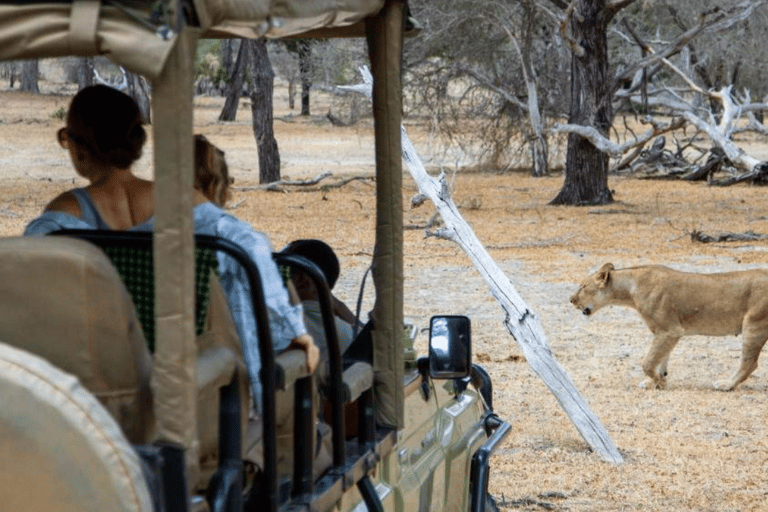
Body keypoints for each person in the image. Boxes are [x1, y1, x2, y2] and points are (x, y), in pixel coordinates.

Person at [24, 86, 319, 409]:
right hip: (190, 392)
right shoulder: (183, 201)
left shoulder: (62, 218)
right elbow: (250, 248)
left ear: (79, 149)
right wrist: (292, 331)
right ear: (136, 143)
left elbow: (29, 280)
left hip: (97, 395)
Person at [281, 239, 361, 375]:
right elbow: (367, 338)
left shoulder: (279, 322)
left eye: (282, 271)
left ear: (300, 281)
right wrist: (337, 305)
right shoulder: (347, 332)